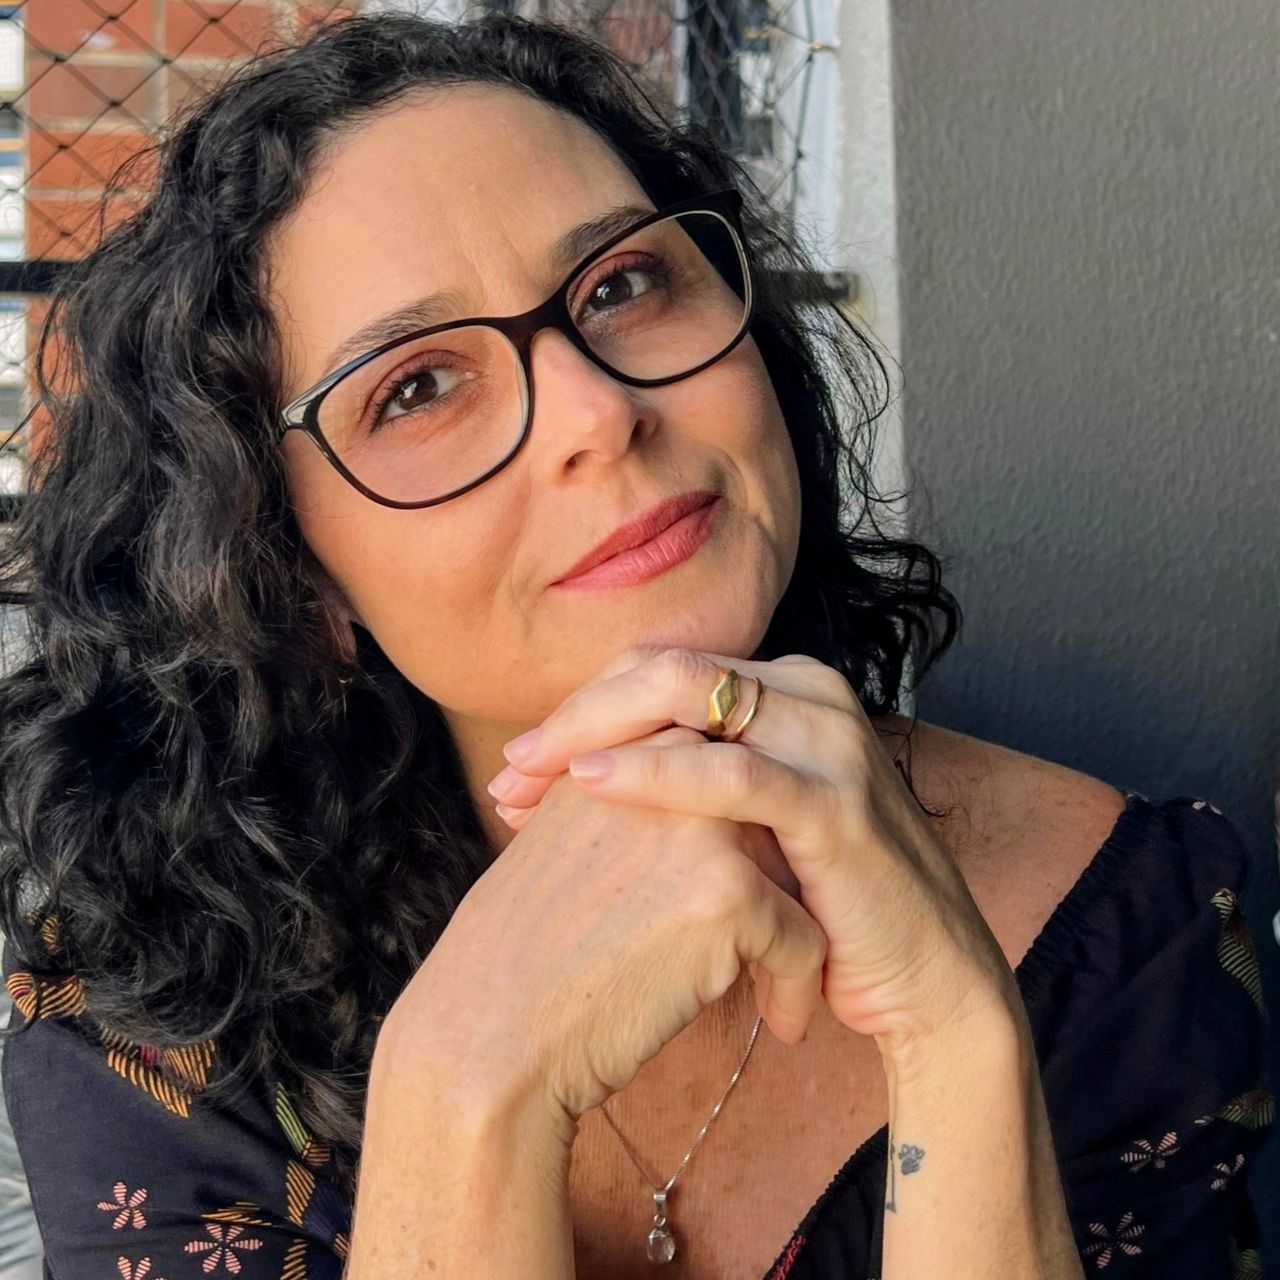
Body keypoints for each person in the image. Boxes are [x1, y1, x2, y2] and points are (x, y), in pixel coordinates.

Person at [0, 11, 1270, 1279]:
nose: (597, 413)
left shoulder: (1128, 919)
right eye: (416, 387)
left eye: (620, 285)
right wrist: (465, 1089)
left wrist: (954, 1035)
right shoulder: (152, 1002)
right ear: (284, 567)